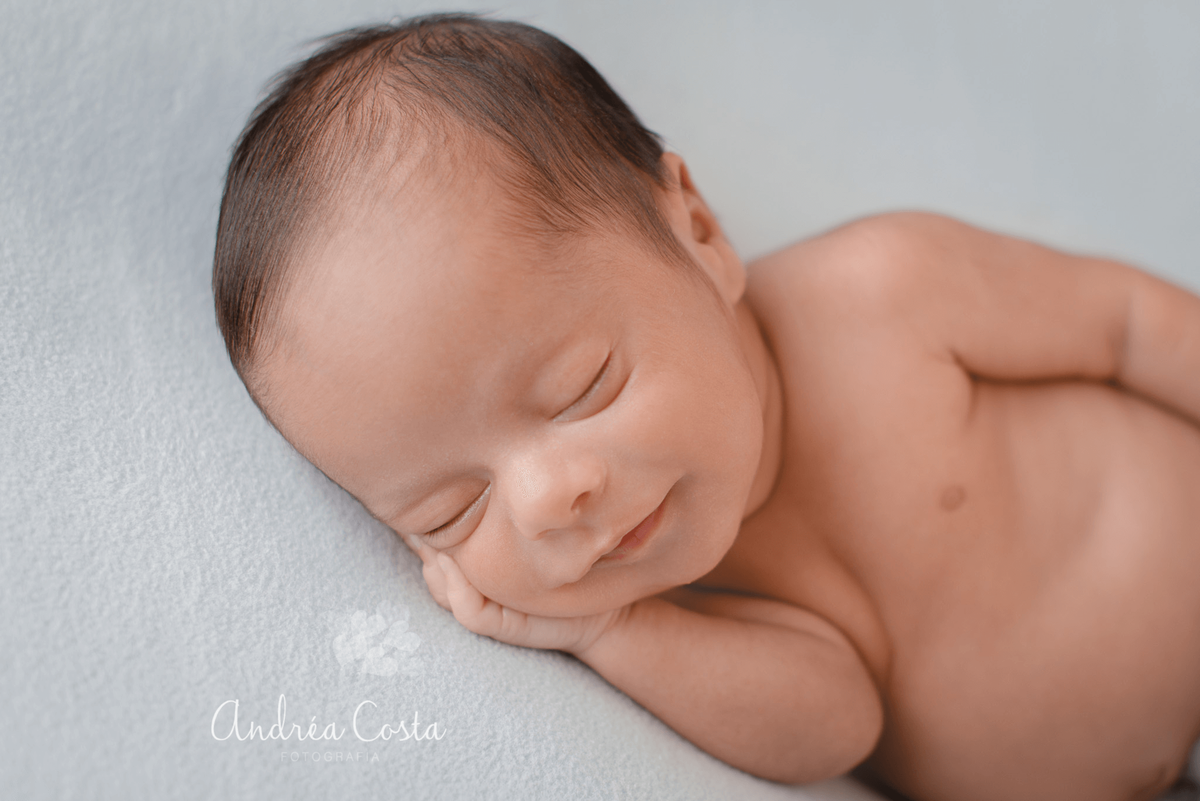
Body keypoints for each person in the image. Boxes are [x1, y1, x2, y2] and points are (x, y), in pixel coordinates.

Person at [212, 14, 1200, 801]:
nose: (555, 498)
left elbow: (1126, 324)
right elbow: (835, 727)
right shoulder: (679, 597)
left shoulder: (885, 294)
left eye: (581, 388)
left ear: (695, 231)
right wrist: (610, 636)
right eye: (449, 512)